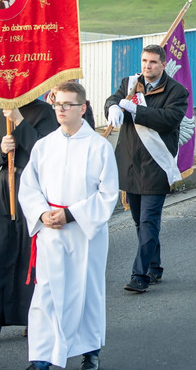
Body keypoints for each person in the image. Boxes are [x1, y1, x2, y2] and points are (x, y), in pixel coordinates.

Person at [20, 82, 119, 370]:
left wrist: (72, 215)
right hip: (51, 231)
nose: (61, 109)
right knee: (47, 293)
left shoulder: (99, 147)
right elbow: (29, 186)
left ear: (83, 108)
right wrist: (40, 213)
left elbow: (108, 194)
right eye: (57, 104)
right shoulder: (44, 145)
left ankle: (90, 352)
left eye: (67, 105)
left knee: (85, 291)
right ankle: (42, 356)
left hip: (84, 233)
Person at [106, 44, 190, 294]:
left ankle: (139, 275)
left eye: (153, 62)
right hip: (130, 164)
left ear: (163, 64)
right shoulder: (130, 83)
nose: (147, 66)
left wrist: (137, 110)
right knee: (139, 223)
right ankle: (154, 266)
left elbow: (168, 120)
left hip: (156, 166)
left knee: (149, 221)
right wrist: (111, 107)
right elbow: (115, 98)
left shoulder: (177, 91)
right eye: (144, 61)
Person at [0, 100, 59, 342]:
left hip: (33, 187)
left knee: (30, 252)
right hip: (5, 187)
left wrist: (20, 122)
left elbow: (41, 151)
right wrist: (1, 149)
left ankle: (34, 317)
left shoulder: (44, 113)